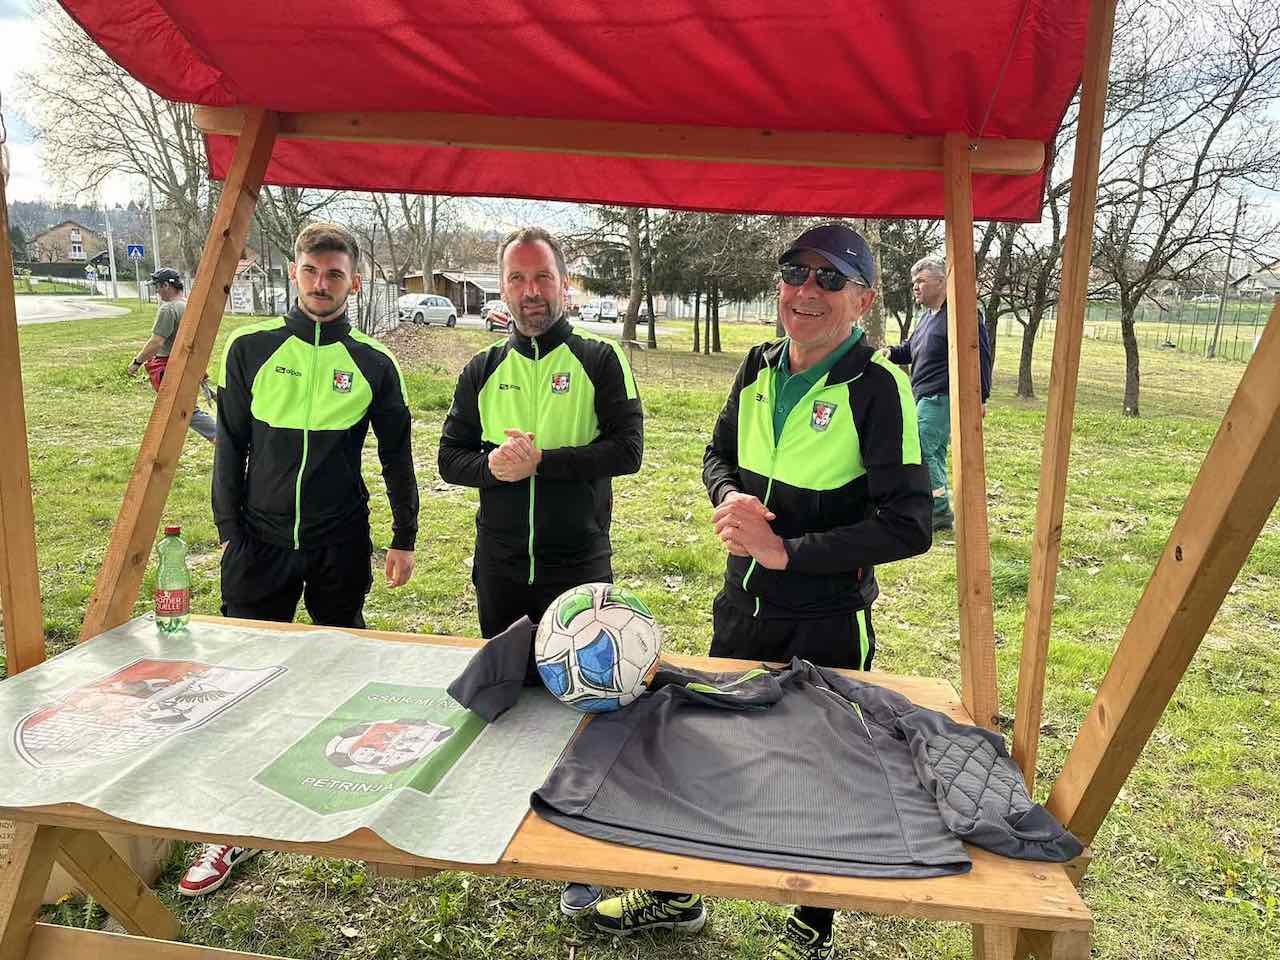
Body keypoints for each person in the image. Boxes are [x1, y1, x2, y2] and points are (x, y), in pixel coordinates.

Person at [592, 222, 932, 959]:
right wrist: (729, 497)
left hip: (827, 620)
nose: (807, 290)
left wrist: (788, 553)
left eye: (830, 278)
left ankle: (809, 926)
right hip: (739, 607)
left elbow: (909, 525)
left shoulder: (880, 388)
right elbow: (717, 453)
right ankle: (678, 894)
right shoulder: (758, 363)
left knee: (820, 772)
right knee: (709, 749)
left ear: (864, 300)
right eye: (795, 273)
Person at [181, 222, 419, 897]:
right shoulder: (251, 348)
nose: (321, 284)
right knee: (245, 682)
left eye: (335, 274)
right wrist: (228, 529)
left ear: (355, 282)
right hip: (258, 541)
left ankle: (351, 801)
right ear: (294, 273)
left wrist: (404, 535)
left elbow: (397, 457)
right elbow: (230, 444)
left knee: (345, 670)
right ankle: (229, 827)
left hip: (339, 539)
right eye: (311, 271)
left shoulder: (375, 362)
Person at [437, 226, 643, 918]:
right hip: (499, 565)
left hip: (577, 565)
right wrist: (492, 468)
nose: (531, 292)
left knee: (581, 713)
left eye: (542, 277)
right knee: (512, 702)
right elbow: (450, 459)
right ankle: (504, 825)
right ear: (502, 288)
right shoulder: (480, 369)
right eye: (518, 279)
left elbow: (628, 450)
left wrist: (544, 463)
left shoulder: (600, 359)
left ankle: (581, 857)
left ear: (563, 283)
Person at [880, 255, 993, 531]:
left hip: (942, 397)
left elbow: (980, 356)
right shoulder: (927, 317)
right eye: (913, 282)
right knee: (934, 453)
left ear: (942, 282)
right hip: (924, 396)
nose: (915, 287)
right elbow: (911, 349)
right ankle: (937, 507)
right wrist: (890, 353)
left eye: (921, 281)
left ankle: (939, 511)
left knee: (920, 448)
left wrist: (981, 397)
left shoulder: (960, 315)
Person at [126, 268, 217, 443]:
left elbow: (156, 342)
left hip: (171, 366)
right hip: (189, 363)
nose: (157, 291)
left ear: (166, 285)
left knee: (183, 409)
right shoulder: (190, 305)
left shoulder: (168, 309)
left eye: (157, 286)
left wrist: (136, 362)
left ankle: (222, 439)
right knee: (175, 410)